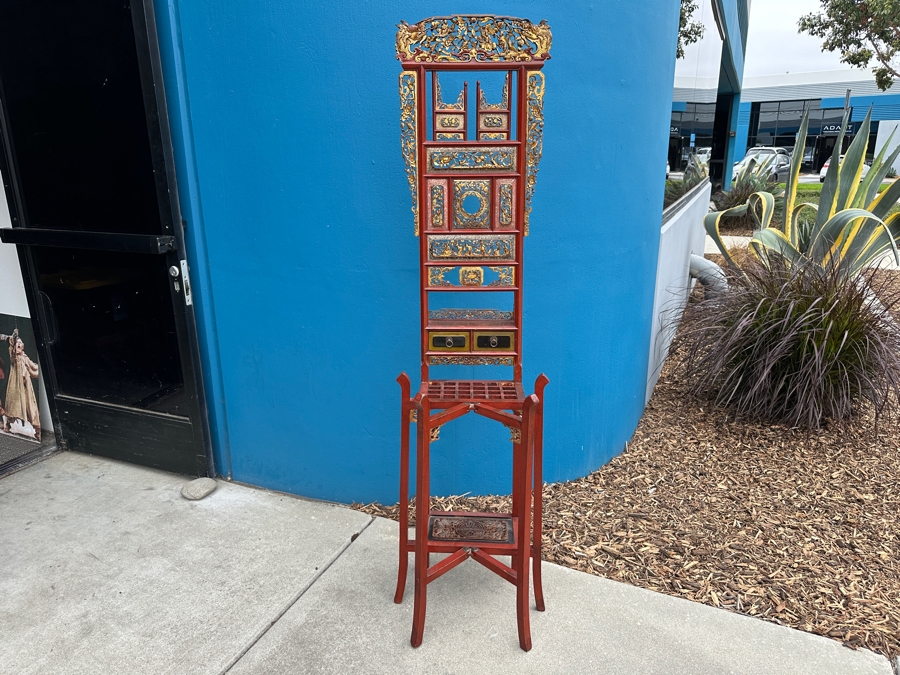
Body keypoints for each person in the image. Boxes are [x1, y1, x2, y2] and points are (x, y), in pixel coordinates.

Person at [1, 329, 40, 441]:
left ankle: (37, 431)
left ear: (23, 346)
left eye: (20, 342)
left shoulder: (25, 357)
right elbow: (12, 344)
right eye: (17, 343)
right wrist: (14, 336)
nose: (18, 344)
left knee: (31, 408)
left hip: (26, 388)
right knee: (13, 407)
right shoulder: (14, 356)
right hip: (15, 387)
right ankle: (8, 424)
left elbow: (34, 368)